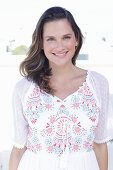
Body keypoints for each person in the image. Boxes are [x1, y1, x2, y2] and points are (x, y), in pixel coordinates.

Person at [9, 6, 113, 170]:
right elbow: (18, 150)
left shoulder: (98, 84)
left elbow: (100, 145)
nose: (59, 46)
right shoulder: (24, 89)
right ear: (41, 43)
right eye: (50, 39)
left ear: (76, 39)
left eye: (66, 37)